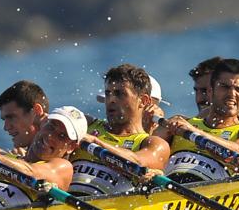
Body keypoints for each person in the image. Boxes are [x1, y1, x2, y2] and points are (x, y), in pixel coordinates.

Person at [156, 58, 239, 184]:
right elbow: (146, 151)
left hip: (211, 196)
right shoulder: (178, 124)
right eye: (225, 87)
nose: (232, 94)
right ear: (210, 91)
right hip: (166, 192)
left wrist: (195, 131)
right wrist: (146, 122)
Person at [0, 106, 85, 210]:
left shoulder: (62, 167)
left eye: (61, 136)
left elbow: (31, 173)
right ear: (43, 124)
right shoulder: (1, 154)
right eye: (51, 127)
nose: (50, 136)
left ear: (71, 147)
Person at [71, 64, 171, 197]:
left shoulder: (154, 144)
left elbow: (139, 163)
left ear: (143, 100)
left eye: (120, 94)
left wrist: (97, 142)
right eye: (108, 93)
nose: (111, 100)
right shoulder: (86, 123)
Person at [0, 80, 50, 154]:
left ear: (36, 111)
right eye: (4, 119)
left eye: (11, 117)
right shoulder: (21, 156)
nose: (6, 127)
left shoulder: (61, 158)